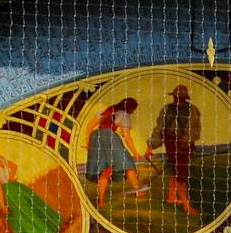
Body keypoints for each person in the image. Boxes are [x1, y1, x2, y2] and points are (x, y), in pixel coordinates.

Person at [81, 98, 150, 207]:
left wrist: (89, 144)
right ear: (130, 108)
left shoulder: (106, 111)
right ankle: (138, 191)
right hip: (110, 137)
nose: (133, 111)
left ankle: (101, 201)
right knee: (128, 164)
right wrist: (135, 152)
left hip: (96, 136)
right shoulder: (124, 115)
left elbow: (89, 127)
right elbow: (127, 136)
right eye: (133, 109)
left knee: (105, 170)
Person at [151, 84, 202, 215]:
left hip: (183, 144)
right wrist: (151, 145)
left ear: (185, 98)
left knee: (180, 172)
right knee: (178, 171)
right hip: (170, 142)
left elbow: (195, 129)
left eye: (180, 97)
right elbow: (159, 127)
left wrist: (186, 140)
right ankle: (185, 204)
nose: (177, 99)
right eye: (176, 97)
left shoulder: (192, 110)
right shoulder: (167, 109)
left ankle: (177, 200)